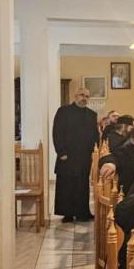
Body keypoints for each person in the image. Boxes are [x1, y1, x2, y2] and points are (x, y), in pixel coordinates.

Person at [52, 88, 100, 223]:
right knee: (67, 185)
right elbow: (57, 132)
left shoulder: (92, 114)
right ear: (75, 96)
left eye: (87, 96)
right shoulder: (63, 111)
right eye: (82, 95)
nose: (84, 98)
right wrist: (61, 152)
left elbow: (95, 134)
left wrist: (97, 150)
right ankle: (67, 214)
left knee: (82, 185)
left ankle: (82, 213)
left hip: (84, 156)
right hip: (67, 155)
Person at [100, 124, 134, 194]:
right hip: (131, 193)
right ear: (133, 140)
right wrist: (110, 164)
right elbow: (112, 157)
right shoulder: (125, 151)